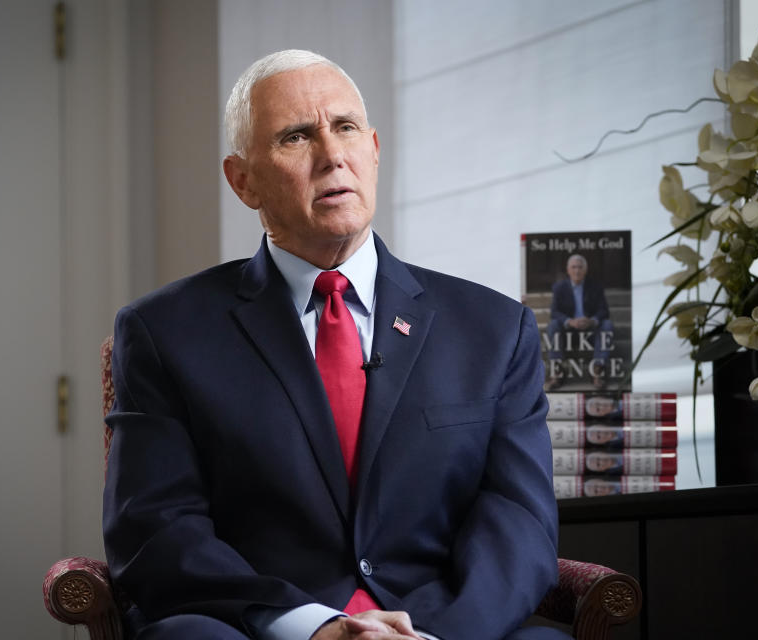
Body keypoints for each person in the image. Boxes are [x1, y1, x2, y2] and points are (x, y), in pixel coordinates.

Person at [103, 49, 565, 640]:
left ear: (373, 150)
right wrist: (314, 627)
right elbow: (155, 527)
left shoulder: (495, 330)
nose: (331, 155)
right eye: (296, 137)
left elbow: (518, 522)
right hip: (259, 627)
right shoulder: (165, 331)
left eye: (345, 128)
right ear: (242, 180)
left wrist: (431, 635)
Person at [544, 254, 614, 391]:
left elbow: (604, 311)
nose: (577, 271)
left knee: (606, 324)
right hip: (568, 331)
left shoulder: (595, 286)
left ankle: (597, 371)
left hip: (590, 331)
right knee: (553, 325)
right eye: (574, 267)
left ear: (585, 270)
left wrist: (592, 321)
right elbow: (554, 312)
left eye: (580, 267)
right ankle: (557, 372)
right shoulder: (559, 287)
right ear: (568, 270)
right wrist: (570, 321)